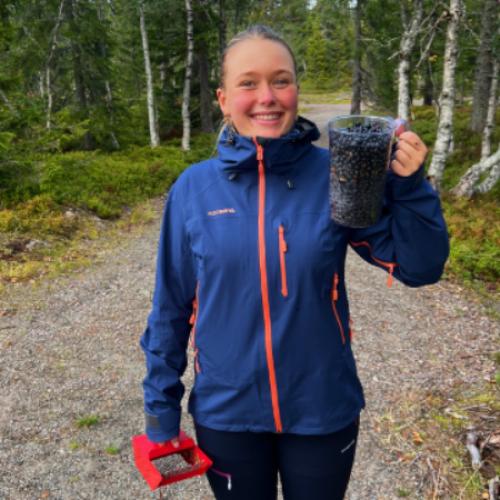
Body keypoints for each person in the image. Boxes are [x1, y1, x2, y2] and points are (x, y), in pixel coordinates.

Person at [140, 25, 449, 500]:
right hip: (228, 414)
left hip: (322, 409)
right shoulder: (193, 190)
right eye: (249, 83)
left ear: (296, 91)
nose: (267, 97)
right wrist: (161, 412)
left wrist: (409, 189)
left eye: (280, 81)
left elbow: (419, 266)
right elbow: (170, 307)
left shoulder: (336, 174)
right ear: (224, 99)